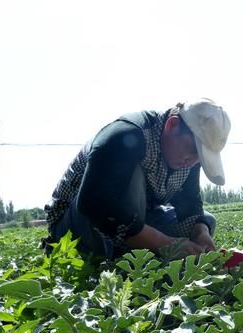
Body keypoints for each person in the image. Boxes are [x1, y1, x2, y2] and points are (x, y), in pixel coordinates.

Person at [44, 98, 231, 260]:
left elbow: (189, 205)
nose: (192, 162)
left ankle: (131, 253)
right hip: (74, 225)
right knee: (134, 174)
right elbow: (93, 204)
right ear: (172, 125)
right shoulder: (127, 135)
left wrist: (201, 234)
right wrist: (164, 243)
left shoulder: (187, 159)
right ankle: (121, 256)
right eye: (193, 151)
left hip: (133, 221)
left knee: (206, 221)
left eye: (200, 157)